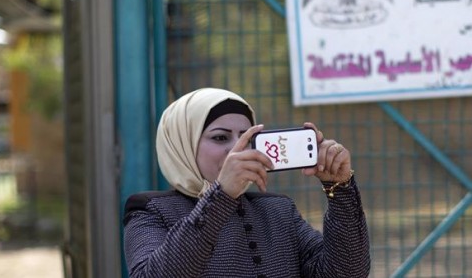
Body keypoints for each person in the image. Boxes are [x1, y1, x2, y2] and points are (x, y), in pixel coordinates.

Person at [123, 88, 370, 277]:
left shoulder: (278, 210)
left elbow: (347, 272)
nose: (236, 150)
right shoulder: (149, 210)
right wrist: (221, 196)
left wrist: (340, 188)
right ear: (182, 146)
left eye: (246, 137)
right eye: (220, 138)